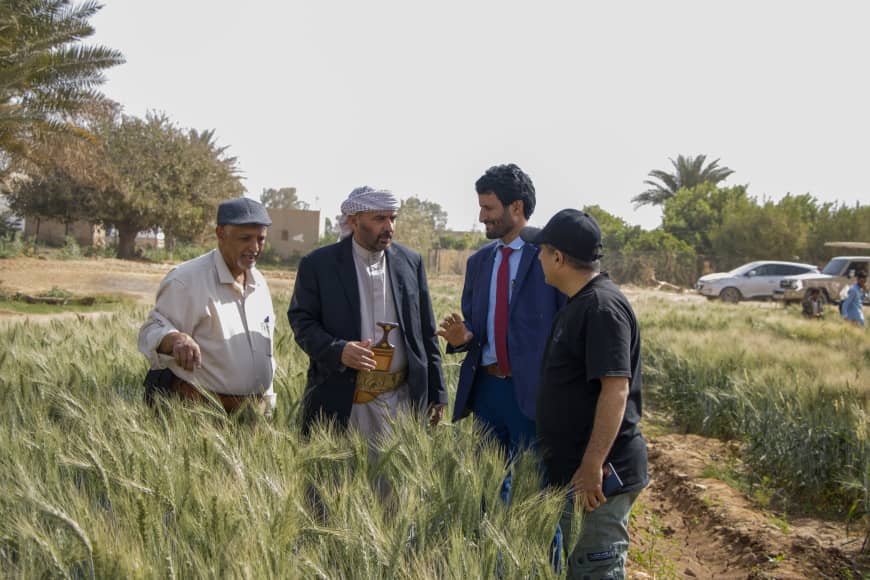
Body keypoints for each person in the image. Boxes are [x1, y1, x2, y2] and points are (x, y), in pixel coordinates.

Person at [520, 209, 648, 579]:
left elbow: (615, 390)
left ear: (557, 257)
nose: (538, 258)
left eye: (541, 251)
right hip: (579, 473)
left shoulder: (601, 308)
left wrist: (592, 465)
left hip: (599, 478)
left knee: (597, 568)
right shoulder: (581, 303)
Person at [437, 163, 563, 501]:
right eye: (480, 207)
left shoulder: (549, 258)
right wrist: (465, 336)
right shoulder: (479, 263)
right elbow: (477, 321)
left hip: (532, 396)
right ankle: (491, 555)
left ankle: (544, 557)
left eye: (488, 208)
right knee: (485, 494)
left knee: (536, 500)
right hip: (487, 393)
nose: (481, 217)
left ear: (516, 207)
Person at [287, 186, 447, 437]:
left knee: (394, 476)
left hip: (402, 402)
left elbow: (426, 331)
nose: (389, 227)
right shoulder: (319, 265)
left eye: (392, 218)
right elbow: (301, 321)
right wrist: (338, 350)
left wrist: (437, 392)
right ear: (354, 220)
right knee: (341, 476)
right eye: (379, 219)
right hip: (344, 401)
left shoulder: (410, 262)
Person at [138, 197, 277, 414]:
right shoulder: (186, 280)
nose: (255, 247)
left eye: (261, 239)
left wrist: (268, 407)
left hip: (252, 417)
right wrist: (174, 339)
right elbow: (151, 330)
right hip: (201, 414)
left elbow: (266, 352)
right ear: (220, 234)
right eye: (245, 238)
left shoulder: (259, 283)